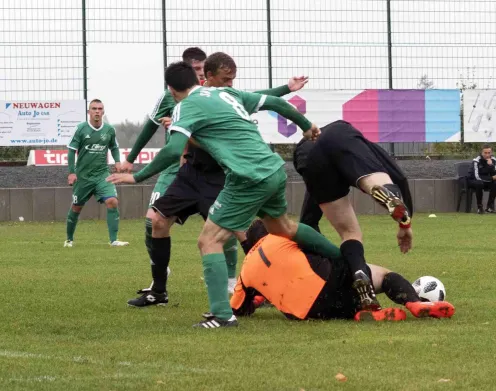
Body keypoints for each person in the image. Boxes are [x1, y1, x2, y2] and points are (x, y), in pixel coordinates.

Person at [107, 53, 340, 330]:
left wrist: (139, 176)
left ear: (171, 89)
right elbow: (276, 102)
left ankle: (222, 315)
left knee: (209, 241)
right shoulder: (226, 95)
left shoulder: (185, 107)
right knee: (284, 228)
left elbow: (171, 149)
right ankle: (345, 261)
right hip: (273, 169)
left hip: (247, 177)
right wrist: (307, 126)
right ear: (199, 79)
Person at [225, 220, 455, 323]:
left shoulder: (245, 270)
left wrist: (259, 298)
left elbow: (238, 309)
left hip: (306, 313)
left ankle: (358, 311)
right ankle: (414, 302)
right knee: (382, 275)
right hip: (326, 280)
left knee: (337, 303)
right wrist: (352, 265)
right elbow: (326, 248)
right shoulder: (282, 234)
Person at [293, 120, 415, 309]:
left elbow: (309, 218)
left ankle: (359, 272)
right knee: (373, 180)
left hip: (306, 153)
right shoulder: (364, 145)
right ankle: (385, 193)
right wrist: (405, 224)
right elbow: (400, 177)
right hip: (339, 135)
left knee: (349, 233)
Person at [120, 47, 207, 293]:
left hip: (208, 168)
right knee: (153, 221)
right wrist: (131, 159)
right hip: (173, 167)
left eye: (202, 69)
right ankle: (160, 273)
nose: (200, 74)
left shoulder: (213, 93)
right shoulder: (169, 96)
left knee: (222, 228)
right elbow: (149, 126)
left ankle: (233, 281)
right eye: (196, 70)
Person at [64, 99, 128, 248]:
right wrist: (72, 173)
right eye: (94, 108)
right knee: (76, 207)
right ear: (89, 112)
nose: (97, 111)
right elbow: (71, 150)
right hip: (83, 177)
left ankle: (113, 240)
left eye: (100, 109)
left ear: (103, 112)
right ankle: (69, 239)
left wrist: (117, 161)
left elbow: (114, 147)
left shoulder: (109, 130)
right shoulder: (81, 129)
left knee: (112, 201)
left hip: (102, 175)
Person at [469, 144, 496, 214]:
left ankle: (489, 207)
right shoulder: (476, 161)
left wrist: (491, 165)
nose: (487, 155)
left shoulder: (493, 160)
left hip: (486, 181)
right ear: (481, 153)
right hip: (473, 181)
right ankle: (480, 208)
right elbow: (477, 177)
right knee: (479, 183)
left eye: (489, 153)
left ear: (491, 153)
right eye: (485, 153)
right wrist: (491, 178)